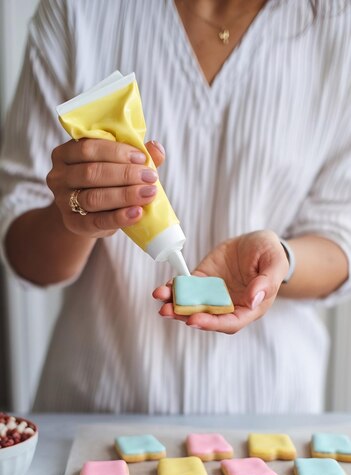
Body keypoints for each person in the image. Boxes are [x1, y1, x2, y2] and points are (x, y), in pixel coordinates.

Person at [0, 0, 350, 414]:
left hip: (268, 412)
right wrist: (78, 219)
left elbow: (340, 234)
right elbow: (22, 252)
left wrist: (282, 260)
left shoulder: (338, 24)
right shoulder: (77, 11)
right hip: (97, 407)